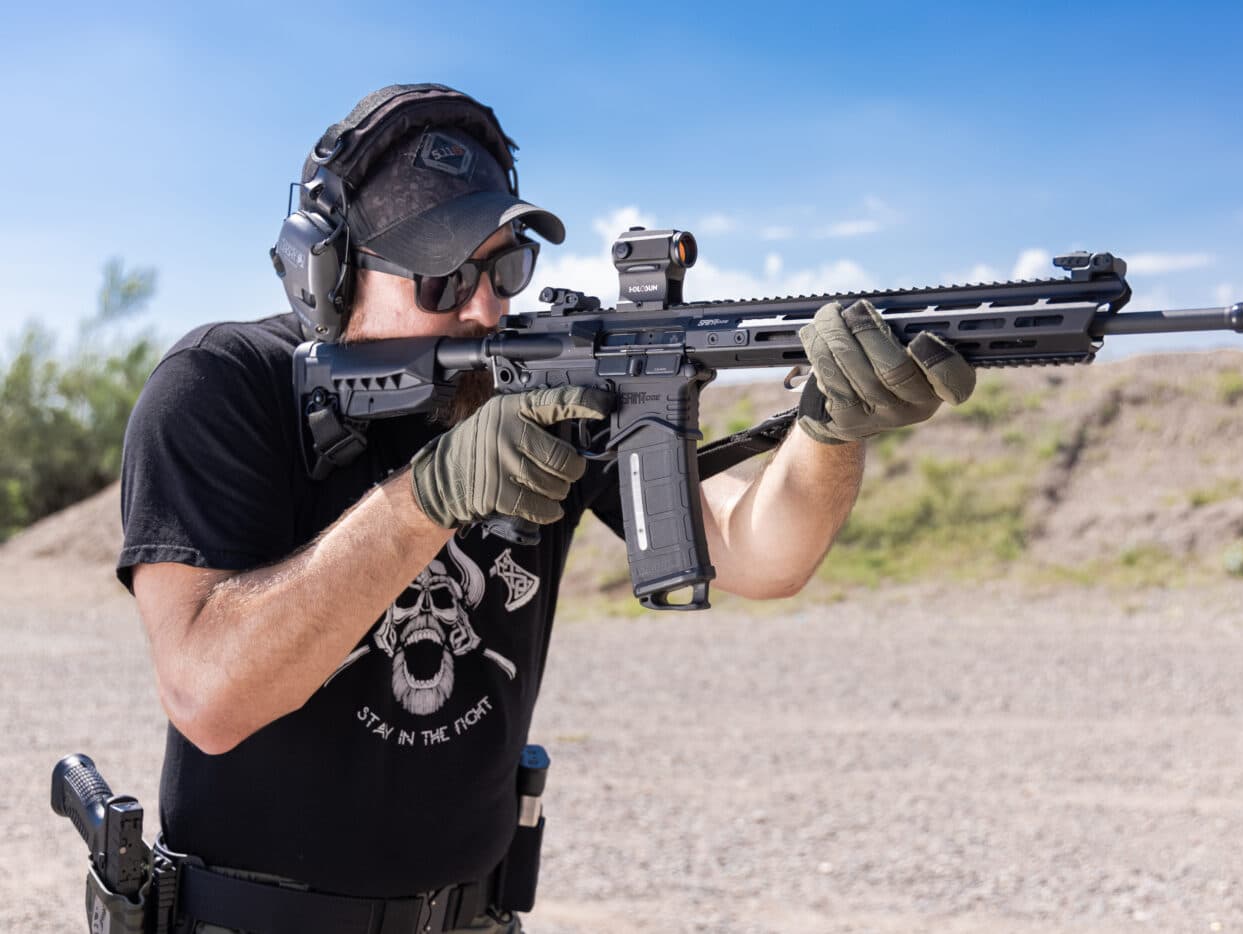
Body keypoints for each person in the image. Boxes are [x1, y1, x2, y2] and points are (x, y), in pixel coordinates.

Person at [117, 84, 975, 934]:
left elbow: (756, 556)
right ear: (328, 270)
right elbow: (208, 696)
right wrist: (429, 497)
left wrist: (831, 430)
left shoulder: (543, 382)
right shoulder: (223, 384)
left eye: (505, 268)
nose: (485, 306)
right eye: (444, 277)